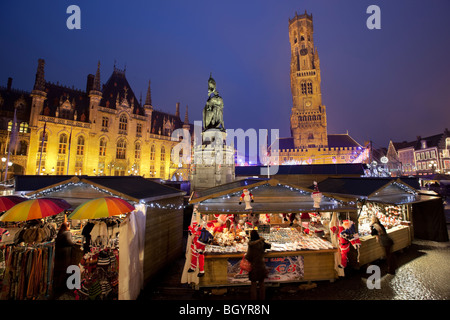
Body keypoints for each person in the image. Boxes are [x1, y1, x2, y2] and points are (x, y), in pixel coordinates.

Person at [245, 230, 271, 300]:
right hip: (261, 265)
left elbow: (248, 256)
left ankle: (254, 298)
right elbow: (269, 246)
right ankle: (262, 298)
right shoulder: (261, 242)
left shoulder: (251, 245)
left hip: (253, 267)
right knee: (261, 283)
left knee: (253, 284)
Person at [54, 221, 76, 298]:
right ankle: (62, 287)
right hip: (65, 255)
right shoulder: (67, 233)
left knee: (60, 270)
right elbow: (70, 242)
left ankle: (57, 286)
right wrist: (76, 242)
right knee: (64, 270)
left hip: (59, 254)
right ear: (67, 227)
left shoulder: (60, 233)